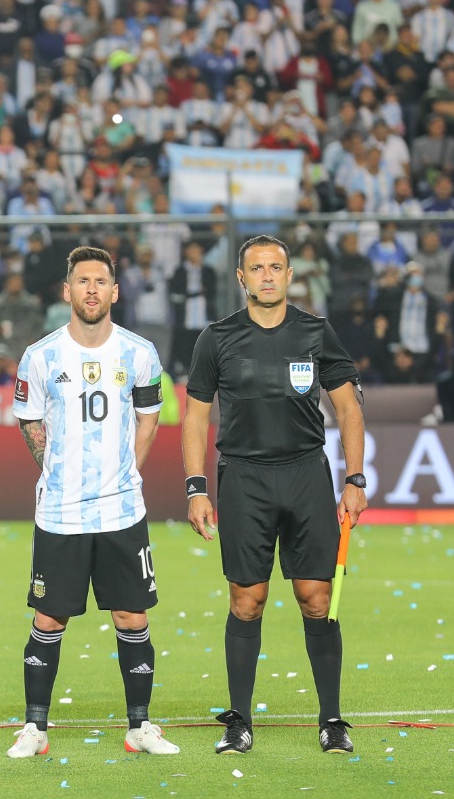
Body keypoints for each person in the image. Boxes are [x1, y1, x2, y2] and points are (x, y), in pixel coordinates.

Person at [182, 235, 368, 756]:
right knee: (248, 601)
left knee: (317, 599)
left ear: (290, 276)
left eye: (276, 267)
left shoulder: (315, 332)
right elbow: (196, 416)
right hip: (244, 479)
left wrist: (355, 479)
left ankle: (331, 719)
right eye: (257, 268)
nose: (267, 276)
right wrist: (196, 488)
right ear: (241, 278)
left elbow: (349, 409)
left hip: (307, 475)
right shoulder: (216, 339)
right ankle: (239, 719)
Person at [6, 246, 179, 759]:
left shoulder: (140, 352)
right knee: (48, 618)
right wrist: (53, 468)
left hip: (122, 511)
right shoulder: (41, 356)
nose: (91, 290)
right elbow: (29, 418)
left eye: (100, 281)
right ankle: (35, 729)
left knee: (132, 615)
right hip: (60, 511)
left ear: (114, 292)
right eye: (82, 281)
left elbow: (149, 416)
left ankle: (140, 727)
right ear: (67, 291)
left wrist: (128, 470)